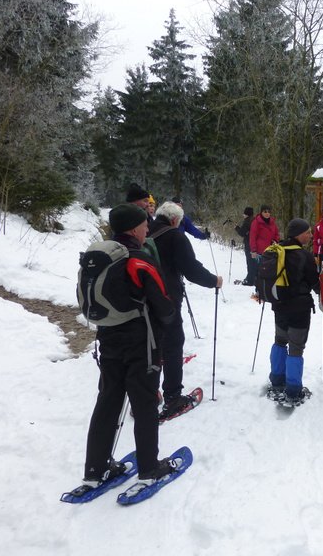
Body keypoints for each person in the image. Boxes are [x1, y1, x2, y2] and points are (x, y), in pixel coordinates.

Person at [82, 204, 177, 487]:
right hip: (141, 340)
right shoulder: (138, 258)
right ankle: (149, 468)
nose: (148, 228)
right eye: (145, 224)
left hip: (107, 337)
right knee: (145, 400)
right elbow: (163, 305)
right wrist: (168, 320)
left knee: (108, 399)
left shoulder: (98, 258)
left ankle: (95, 469)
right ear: (134, 228)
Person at [149, 201, 222, 418]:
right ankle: (173, 399)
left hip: (144, 300)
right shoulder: (174, 236)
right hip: (167, 301)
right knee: (172, 347)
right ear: (174, 220)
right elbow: (191, 269)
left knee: (152, 347)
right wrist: (213, 281)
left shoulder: (145, 231)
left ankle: (149, 394)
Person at [266, 218, 320, 407]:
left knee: (280, 341)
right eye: (307, 232)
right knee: (296, 347)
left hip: (279, 306)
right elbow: (316, 283)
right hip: (299, 309)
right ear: (298, 234)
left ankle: (277, 380)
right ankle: (293, 390)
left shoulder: (277, 250)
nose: (310, 235)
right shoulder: (304, 256)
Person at [249, 204, 280, 297]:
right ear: (261, 212)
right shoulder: (256, 222)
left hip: (270, 251)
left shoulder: (272, 222)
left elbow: (276, 234)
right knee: (259, 272)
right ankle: (258, 291)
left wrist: (275, 240)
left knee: (270, 271)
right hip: (259, 251)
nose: (267, 214)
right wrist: (253, 250)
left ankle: (267, 290)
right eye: (265, 212)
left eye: (268, 212)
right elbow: (252, 236)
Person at [235, 206, 256, 285]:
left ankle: (250, 280)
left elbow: (242, 233)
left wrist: (236, 228)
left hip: (249, 244)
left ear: (246, 214)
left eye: (244, 213)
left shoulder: (247, 221)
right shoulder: (255, 220)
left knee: (250, 262)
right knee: (254, 262)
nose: (243, 215)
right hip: (255, 244)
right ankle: (254, 278)